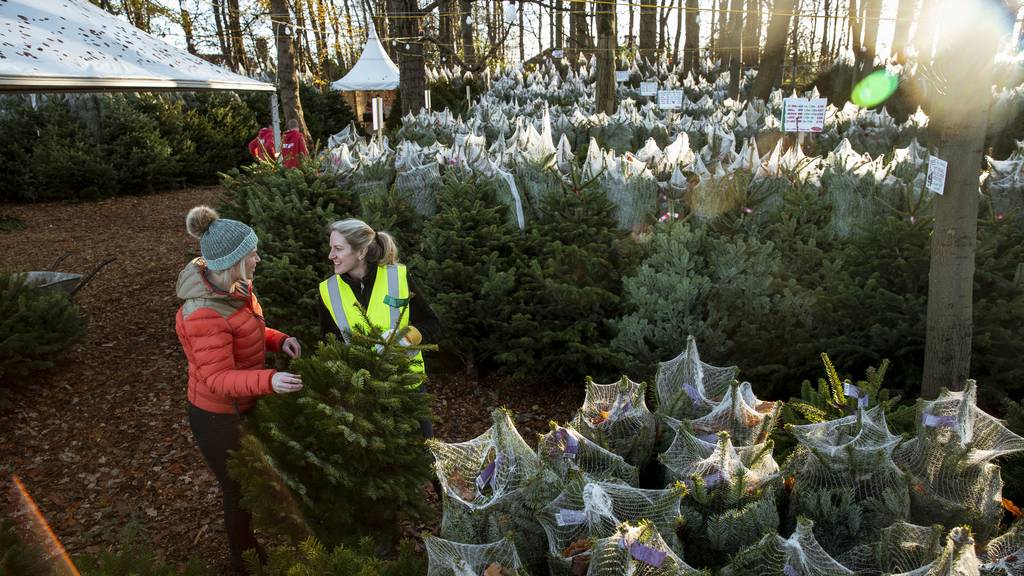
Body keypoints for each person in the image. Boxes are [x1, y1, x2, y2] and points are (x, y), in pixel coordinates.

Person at [175, 206, 303, 575]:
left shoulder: (237, 287)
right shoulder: (202, 313)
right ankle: (245, 563)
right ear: (233, 261)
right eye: (252, 253)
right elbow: (217, 378)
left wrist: (279, 341)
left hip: (243, 403)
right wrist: (270, 381)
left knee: (253, 484)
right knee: (238, 490)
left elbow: (248, 331)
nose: (258, 257)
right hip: (216, 415)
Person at [318, 219, 440, 438]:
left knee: (423, 460)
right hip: (364, 397)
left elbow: (432, 323)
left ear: (361, 251)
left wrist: (406, 337)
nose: (331, 256)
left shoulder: (397, 276)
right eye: (331, 248)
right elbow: (331, 348)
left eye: (338, 248)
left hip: (409, 388)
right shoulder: (328, 290)